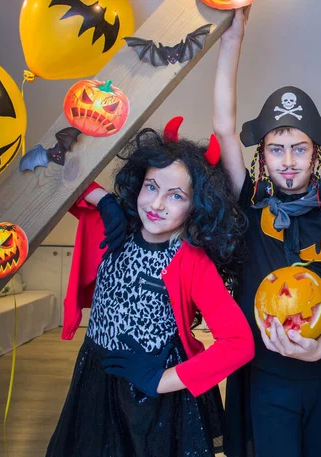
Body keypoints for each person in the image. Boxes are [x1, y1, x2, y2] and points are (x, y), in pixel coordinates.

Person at [213, 9, 321, 457]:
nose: (287, 160)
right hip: (268, 376)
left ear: (315, 154)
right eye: (276, 149)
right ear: (263, 156)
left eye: (298, 149)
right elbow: (224, 130)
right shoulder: (249, 204)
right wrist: (233, 39)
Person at [46, 118, 254, 457]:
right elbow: (55, 162)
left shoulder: (191, 260)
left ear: (196, 205)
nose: (156, 205)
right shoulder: (114, 227)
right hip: (97, 378)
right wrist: (104, 200)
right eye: (151, 187)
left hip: (156, 393)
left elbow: (239, 344)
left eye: (176, 196)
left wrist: (161, 381)